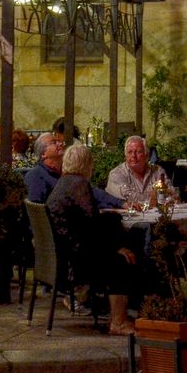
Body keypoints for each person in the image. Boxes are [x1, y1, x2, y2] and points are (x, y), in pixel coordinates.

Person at [47, 144, 139, 336]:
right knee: (121, 261)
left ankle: (119, 316)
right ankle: (119, 321)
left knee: (115, 232)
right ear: (87, 163)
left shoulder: (65, 182)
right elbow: (92, 227)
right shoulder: (79, 185)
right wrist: (115, 248)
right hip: (75, 263)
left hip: (62, 257)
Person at [26, 131, 122, 208]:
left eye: (59, 141)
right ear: (43, 154)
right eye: (54, 142)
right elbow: (36, 212)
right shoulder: (36, 176)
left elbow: (91, 192)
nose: (60, 143)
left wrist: (120, 203)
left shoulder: (66, 173)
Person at [105, 135, 168, 202]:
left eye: (138, 152)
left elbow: (170, 192)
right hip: (127, 212)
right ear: (125, 156)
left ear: (146, 155)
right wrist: (155, 197)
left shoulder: (157, 171)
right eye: (130, 152)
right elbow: (128, 197)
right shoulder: (116, 174)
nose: (133, 156)